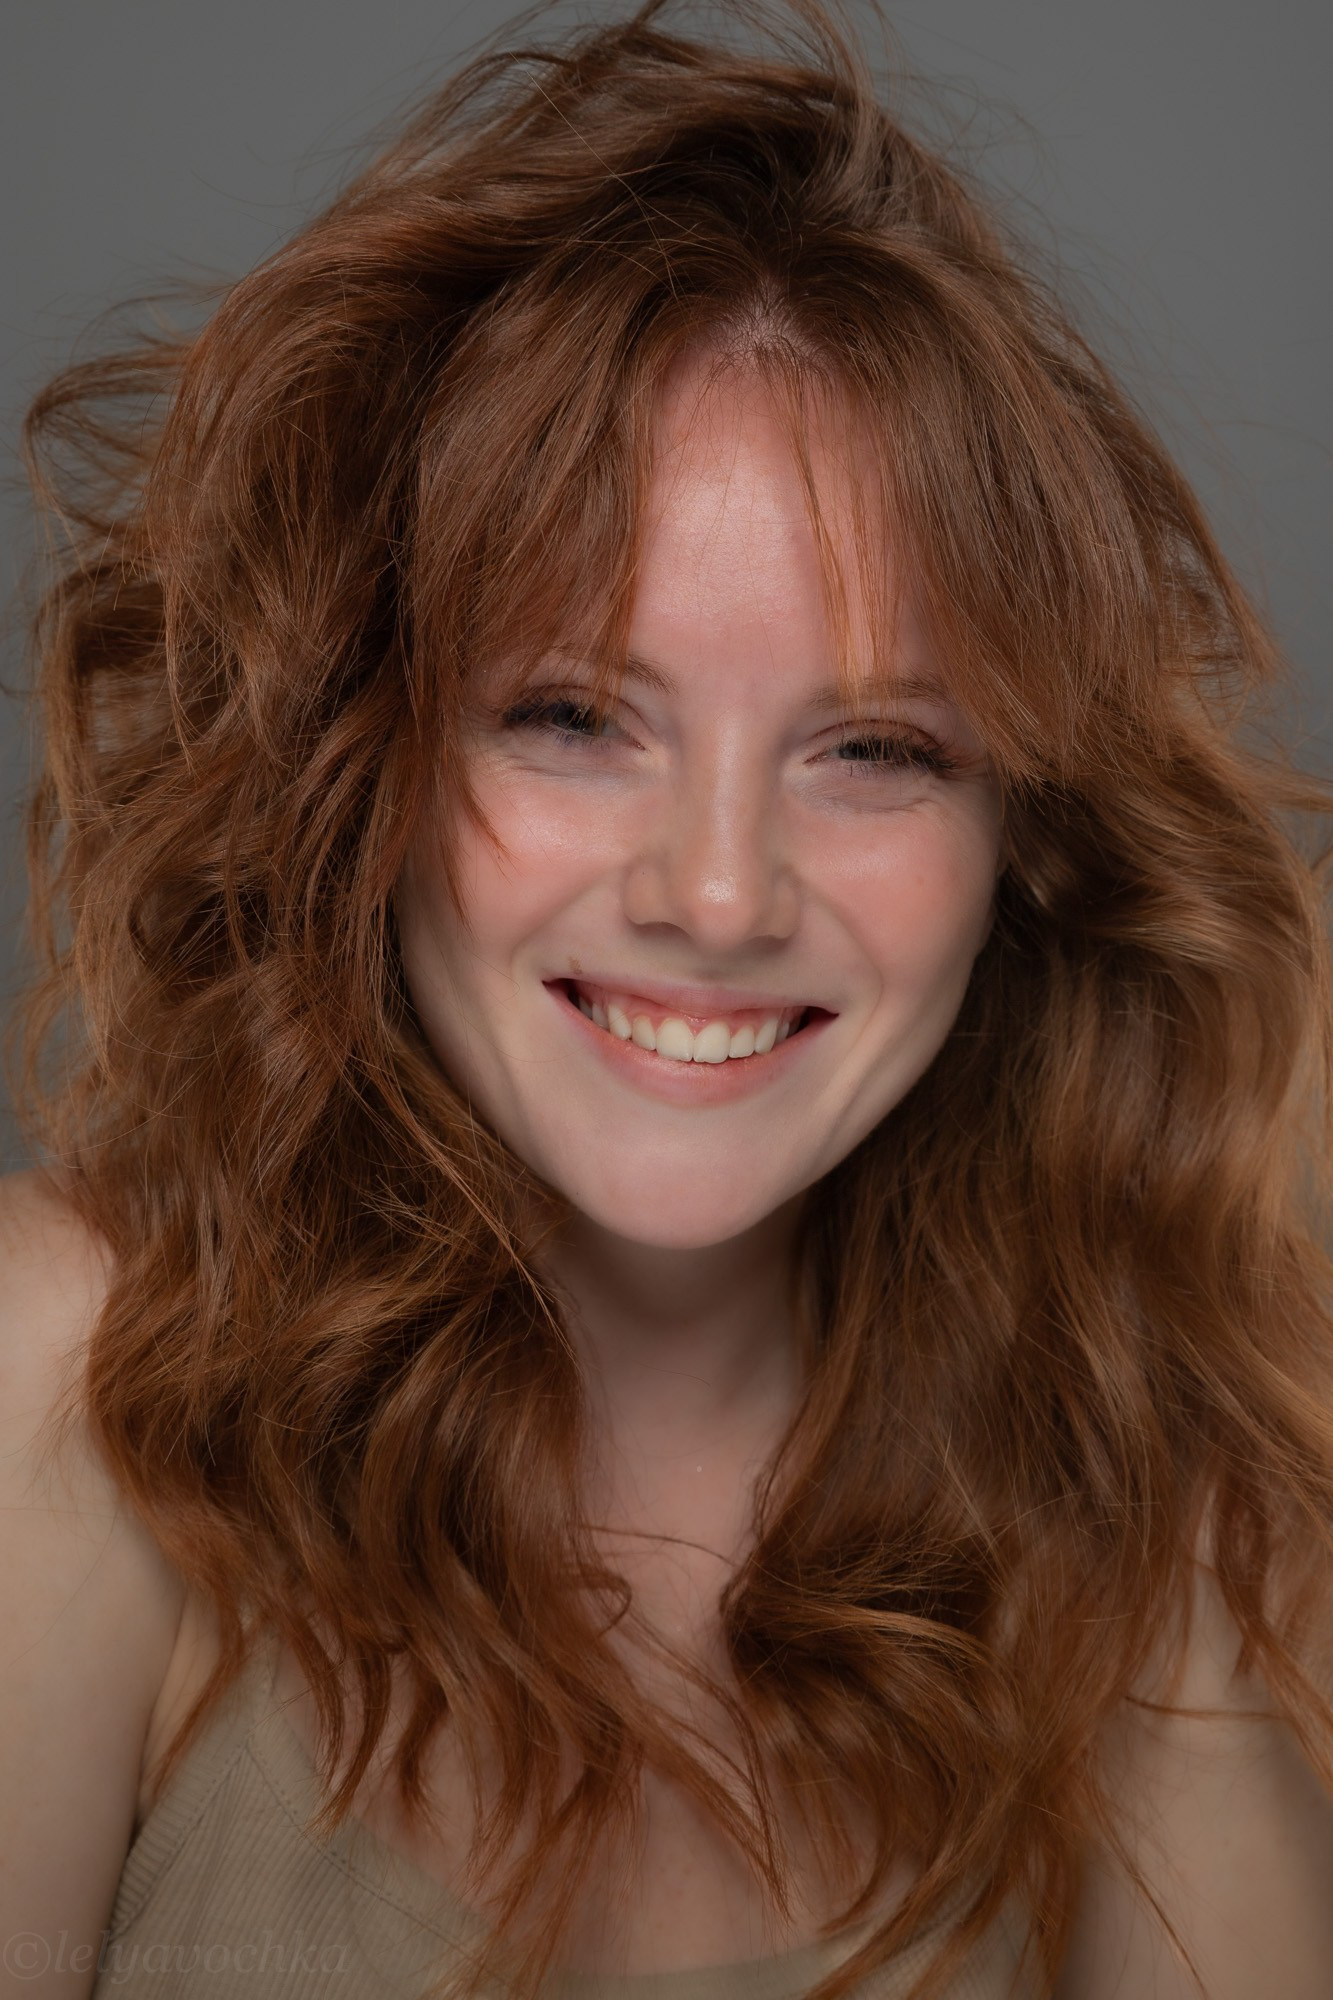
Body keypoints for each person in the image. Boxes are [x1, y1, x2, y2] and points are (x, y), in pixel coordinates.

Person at [3, 0, 1333, 1994]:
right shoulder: (62, 1382)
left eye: (872, 748)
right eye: (571, 716)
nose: (716, 894)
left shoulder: (1169, 1517)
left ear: (1022, 842)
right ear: (361, 764)